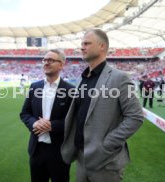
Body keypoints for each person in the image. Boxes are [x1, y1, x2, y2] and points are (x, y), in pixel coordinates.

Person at [61, 29, 144, 182]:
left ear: (102, 46)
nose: (82, 47)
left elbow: (136, 117)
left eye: (87, 43)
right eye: (81, 44)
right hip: (81, 157)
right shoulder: (82, 79)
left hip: (105, 162)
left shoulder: (119, 78)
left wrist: (106, 145)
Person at [20, 49, 74, 182]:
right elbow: (25, 113)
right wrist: (34, 123)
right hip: (36, 150)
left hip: (59, 152)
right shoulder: (34, 87)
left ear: (61, 65)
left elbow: (74, 121)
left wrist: (52, 126)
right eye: (44, 60)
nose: (46, 63)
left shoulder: (71, 90)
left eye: (51, 60)